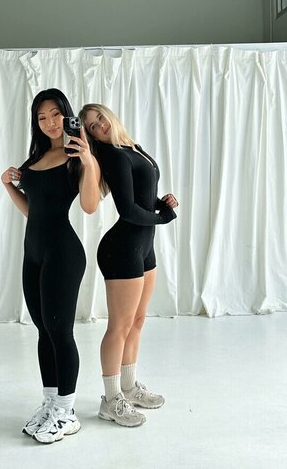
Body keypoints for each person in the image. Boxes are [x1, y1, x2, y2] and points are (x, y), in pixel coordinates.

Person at [1, 89, 100, 444]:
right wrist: (8, 186)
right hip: (34, 254)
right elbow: (34, 211)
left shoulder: (77, 157)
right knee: (43, 330)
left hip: (63, 254)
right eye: (42, 117)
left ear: (66, 114)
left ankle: (67, 412)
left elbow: (90, 206)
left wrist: (89, 161)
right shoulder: (36, 158)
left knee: (61, 332)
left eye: (55, 114)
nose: (50, 122)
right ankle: (51, 403)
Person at [79, 103, 178, 427]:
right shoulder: (113, 156)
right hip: (122, 249)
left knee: (137, 321)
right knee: (119, 327)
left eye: (99, 118)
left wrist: (162, 203)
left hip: (143, 248)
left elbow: (143, 197)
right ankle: (110, 400)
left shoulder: (132, 147)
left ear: (109, 115)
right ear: (90, 135)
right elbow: (128, 210)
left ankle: (129, 387)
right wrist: (162, 217)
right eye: (92, 127)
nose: (99, 126)